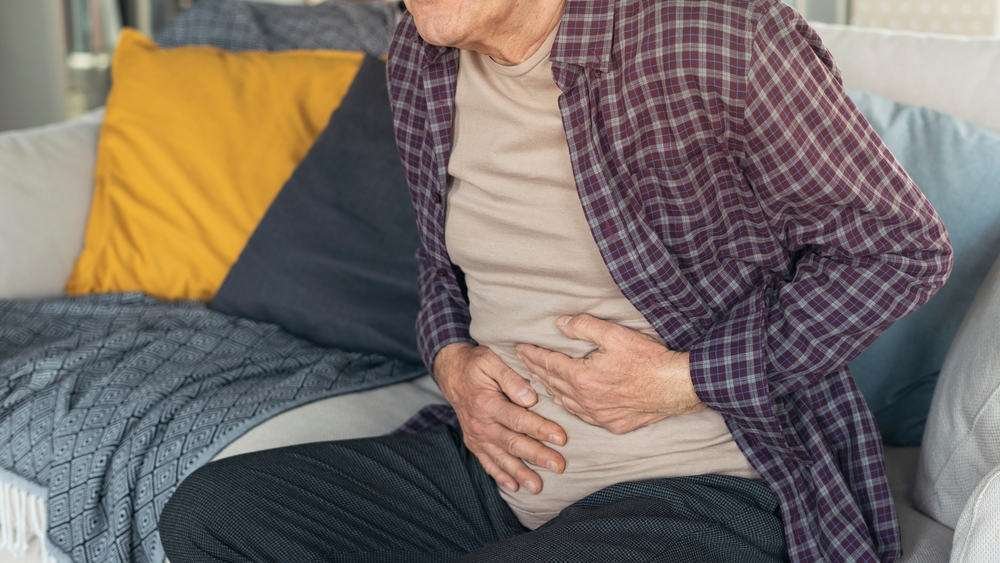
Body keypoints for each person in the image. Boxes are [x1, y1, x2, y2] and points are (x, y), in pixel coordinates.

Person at [159, 1, 954, 561]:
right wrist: (451, 362)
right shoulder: (423, 58)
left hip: (708, 486)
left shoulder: (718, 36)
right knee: (213, 515)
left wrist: (683, 381)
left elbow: (901, 248)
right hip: (493, 479)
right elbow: (439, 267)